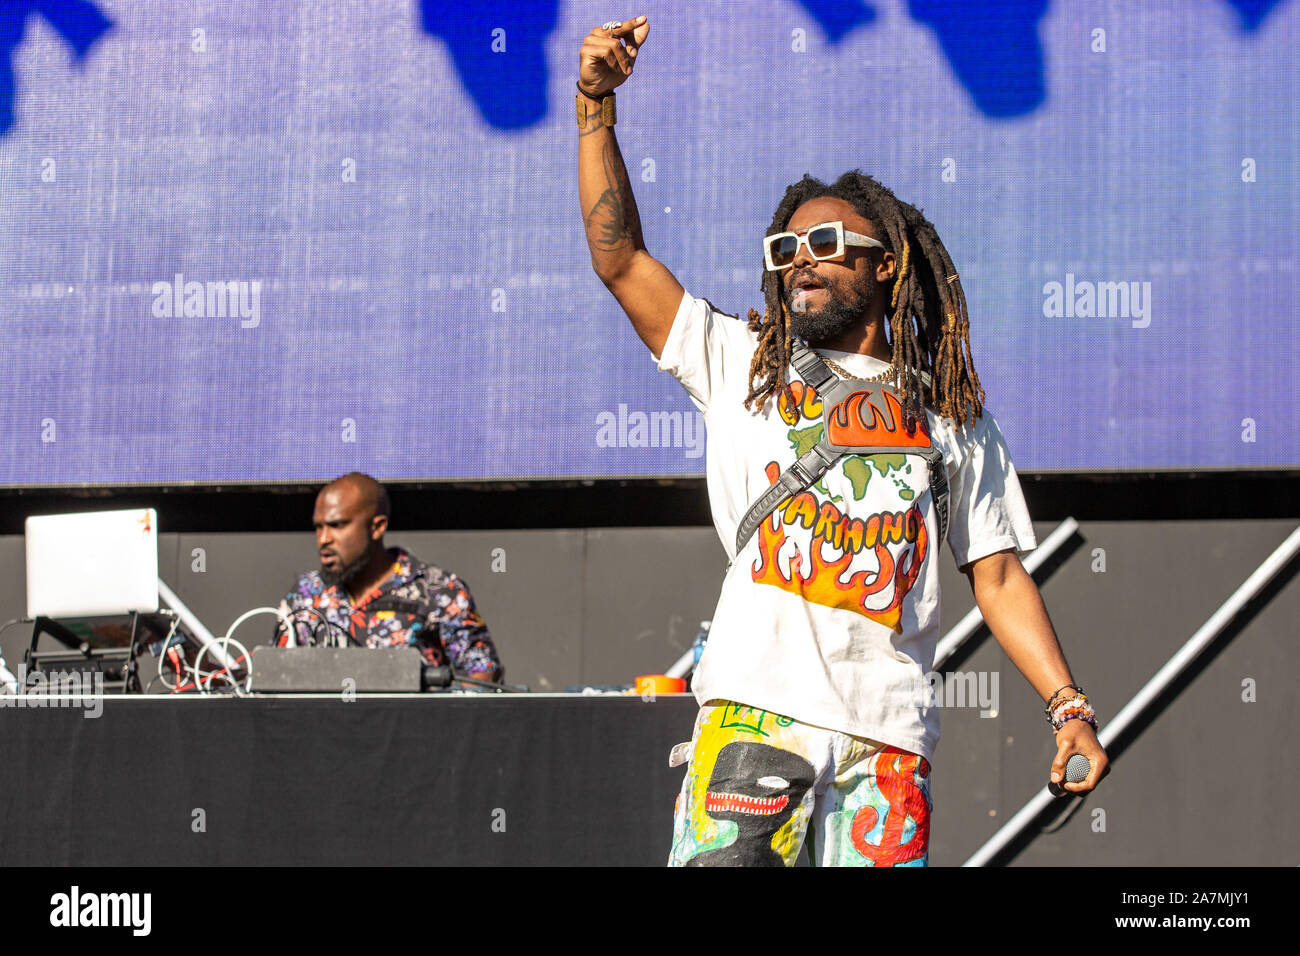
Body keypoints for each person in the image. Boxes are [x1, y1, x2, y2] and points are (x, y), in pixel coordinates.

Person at [576, 15, 1108, 866]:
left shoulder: (951, 414)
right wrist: (594, 108)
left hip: (888, 745)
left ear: (887, 262)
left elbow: (998, 573)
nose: (802, 262)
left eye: (826, 244)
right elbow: (622, 260)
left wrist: (1068, 708)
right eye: (787, 249)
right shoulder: (741, 364)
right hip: (754, 717)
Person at [273, 473, 502, 682]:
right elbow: (275, 675)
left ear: (377, 527)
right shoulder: (305, 593)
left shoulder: (438, 591)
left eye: (336, 525)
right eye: (318, 527)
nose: (323, 539)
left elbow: (482, 674)